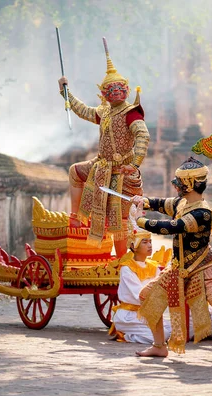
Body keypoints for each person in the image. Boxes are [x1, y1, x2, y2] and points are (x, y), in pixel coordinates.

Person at [130, 157, 212, 368]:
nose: (176, 185)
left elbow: (174, 226)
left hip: (204, 267)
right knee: (147, 296)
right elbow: (160, 204)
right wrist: (142, 201)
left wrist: (140, 221)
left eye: (179, 182)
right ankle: (159, 345)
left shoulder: (202, 213)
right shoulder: (181, 203)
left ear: (190, 184)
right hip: (180, 268)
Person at [58, 38, 150, 257]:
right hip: (101, 168)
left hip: (123, 173)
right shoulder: (105, 112)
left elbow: (143, 137)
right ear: (104, 93)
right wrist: (65, 92)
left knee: (119, 222)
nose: (115, 91)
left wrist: (134, 164)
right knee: (74, 171)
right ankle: (76, 217)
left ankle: (122, 263)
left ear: (127, 89)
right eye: (110, 89)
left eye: (119, 87)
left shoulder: (131, 112)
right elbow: (82, 110)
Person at [110, 206, 212, 344]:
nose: (149, 245)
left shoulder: (153, 266)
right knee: (165, 334)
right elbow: (141, 296)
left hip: (151, 314)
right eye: (144, 242)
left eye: (150, 241)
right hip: (131, 316)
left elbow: (165, 285)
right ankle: (127, 335)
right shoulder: (127, 269)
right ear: (133, 246)